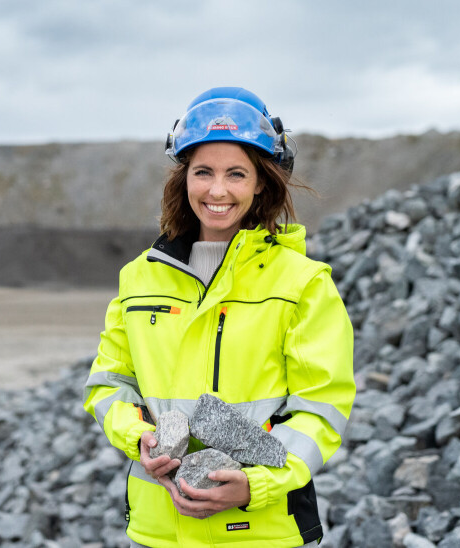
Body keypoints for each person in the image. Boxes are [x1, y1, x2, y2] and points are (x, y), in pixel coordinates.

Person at [83, 87, 355, 547]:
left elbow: (322, 408)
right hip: (158, 530)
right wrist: (140, 438)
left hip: (262, 532)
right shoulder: (139, 278)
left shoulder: (303, 284)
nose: (217, 190)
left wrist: (257, 484)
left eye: (236, 174)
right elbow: (109, 384)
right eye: (203, 172)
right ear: (183, 177)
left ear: (262, 182)